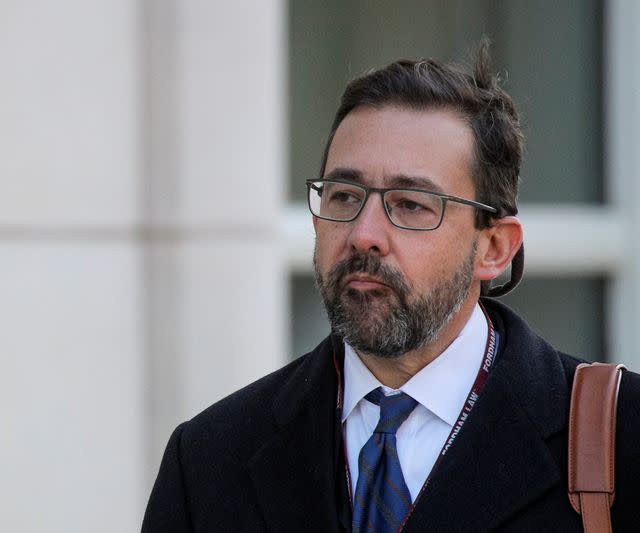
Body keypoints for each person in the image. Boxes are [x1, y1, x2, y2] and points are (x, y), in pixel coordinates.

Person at [142, 43, 640, 532]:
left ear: (494, 249)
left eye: (410, 204)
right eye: (343, 196)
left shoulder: (621, 439)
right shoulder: (210, 460)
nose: (363, 235)